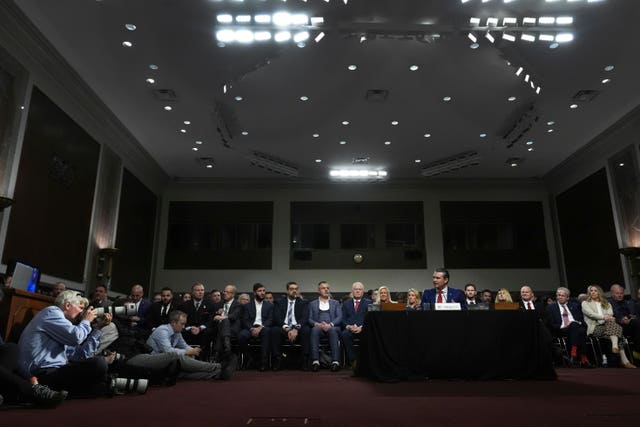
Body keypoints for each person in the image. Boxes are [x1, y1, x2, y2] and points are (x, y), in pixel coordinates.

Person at [17, 290, 114, 397]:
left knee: (100, 385)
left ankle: (66, 392)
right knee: (99, 364)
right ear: (68, 305)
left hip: (55, 373)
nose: (82, 313)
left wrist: (98, 329)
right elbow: (76, 337)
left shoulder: (63, 326)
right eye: (80, 308)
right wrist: (86, 321)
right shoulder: (51, 312)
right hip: (41, 374)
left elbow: (81, 355)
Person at [129, 310, 233, 380]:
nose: (184, 327)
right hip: (155, 361)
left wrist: (193, 350)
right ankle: (218, 366)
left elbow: (184, 345)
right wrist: (187, 352)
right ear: (173, 323)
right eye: (182, 324)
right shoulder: (162, 330)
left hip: (165, 365)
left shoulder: (177, 332)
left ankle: (218, 374)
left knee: (185, 374)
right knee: (178, 357)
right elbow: (168, 351)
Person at [582, 285, 635, 368]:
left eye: (595, 290)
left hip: (607, 326)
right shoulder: (585, 303)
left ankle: (617, 350)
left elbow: (610, 313)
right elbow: (591, 314)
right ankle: (624, 360)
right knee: (618, 330)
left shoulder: (606, 303)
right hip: (595, 328)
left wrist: (608, 318)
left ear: (599, 292)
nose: (593, 292)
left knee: (613, 325)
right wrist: (604, 317)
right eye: (591, 291)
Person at [546, 287, 594, 368]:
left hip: (576, 328)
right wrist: (565, 325)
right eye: (558, 295)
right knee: (580, 330)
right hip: (561, 329)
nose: (560, 297)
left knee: (579, 329)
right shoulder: (551, 308)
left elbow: (581, 321)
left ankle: (574, 355)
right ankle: (583, 358)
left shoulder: (575, 306)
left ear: (568, 297)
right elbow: (551, 324)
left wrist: (573, 323)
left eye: (562, 295)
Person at [270, 281, 310, 371]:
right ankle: (277, 359)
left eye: (296, 289)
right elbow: (277, 318)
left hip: (298, 328)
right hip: (284, 328)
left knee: (306, 330)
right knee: (274, 330)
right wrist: (287, 328)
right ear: (287, 291)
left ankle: (305, 360)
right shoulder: (278, 302)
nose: (294, 291)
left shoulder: (303, 303)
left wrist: (296, 329)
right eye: (292, 289)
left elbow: (304, 318)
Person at [308, 281, 342, 372]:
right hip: (318, 327)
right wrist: (317, 324)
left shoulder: (335, 303)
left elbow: (339, 317)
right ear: (319, 290)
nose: (326, 289)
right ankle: (315, 361)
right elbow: (309, 319)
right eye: (323, 288)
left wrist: (330, 325)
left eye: (327, 288)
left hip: (333, 327)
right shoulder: (312, 304)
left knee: (333, 330)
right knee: (314, 330)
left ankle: (335, 362)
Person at [238, 283, 273, 371]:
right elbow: (244, 320)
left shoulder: (270, 305)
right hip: (251, 327)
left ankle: (264, 362)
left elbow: (270, 319)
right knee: (241, 336)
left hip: (263, 327)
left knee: (267, 332)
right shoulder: (247, 306)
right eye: (259, 291)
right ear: (254, 293)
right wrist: (251, 329)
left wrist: (261, 327)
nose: (262, 293)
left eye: (263, 291)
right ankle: (248, 358)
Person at [179, 282, 214, 361]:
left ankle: (203, 359)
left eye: (202, 290)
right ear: (192, 292)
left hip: (203, 329)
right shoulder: (184, 305)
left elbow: (210, 320)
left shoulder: (210, 304)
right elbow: (182, 319)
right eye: (198, 290)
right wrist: (190, 328)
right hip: (189, 329)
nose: (200, 292)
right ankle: (185, 359)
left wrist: (200, 328)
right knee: (181, 331)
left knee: (208, 332)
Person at [341, 282, 371, 369]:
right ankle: (353, 360)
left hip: (363, 329)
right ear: (352, 291)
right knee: (344, 335)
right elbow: (343, 319)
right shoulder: (346, 303)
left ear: (363, 291)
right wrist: (349, 326)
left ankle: (365, 360)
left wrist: (362, 327)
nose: (357, 291)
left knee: (369, 335)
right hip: (349, 329)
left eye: (360, 289)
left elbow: (370, 319)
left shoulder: (369, 303)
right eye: (355, 289)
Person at [608, 284, 640, 359]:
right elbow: (612, 315)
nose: (620, 295)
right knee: (636, 323)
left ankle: (637, 351)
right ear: (612, 293)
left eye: (621, 293)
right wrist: (622, 319)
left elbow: (635, 313)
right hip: (618, 327)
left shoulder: (629, 302)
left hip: (632, 324)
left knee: (636, 322)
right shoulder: (608, 303)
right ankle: (638, 350)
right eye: (617, 293)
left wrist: (632, 317)